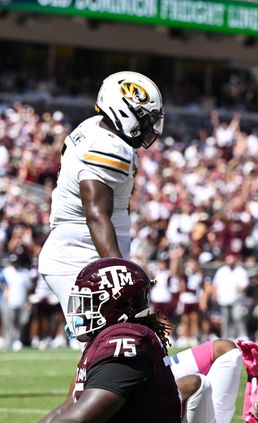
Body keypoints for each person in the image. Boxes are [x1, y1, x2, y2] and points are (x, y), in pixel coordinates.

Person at [0, 258, 181, 423]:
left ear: (120, 306)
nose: (81, 311)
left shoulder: (127, 339)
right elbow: (65, 411)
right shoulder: (106, 338)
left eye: (90, 302)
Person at [38, 72, 164, 317]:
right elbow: (97, 215)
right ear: (123, 112)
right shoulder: (107, 147)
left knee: (125, 337)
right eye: (144, 118)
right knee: (112, 338)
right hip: (80, 258)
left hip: (82, 253)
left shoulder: (96, 127)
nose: (149, 127)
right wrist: (120, 276)